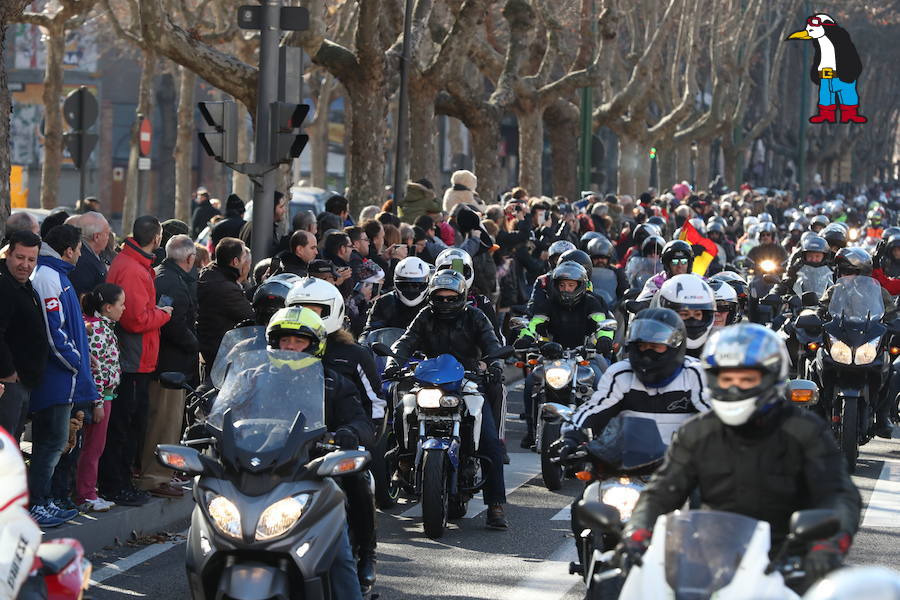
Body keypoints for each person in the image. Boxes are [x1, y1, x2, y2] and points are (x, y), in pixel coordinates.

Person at [618, 324, 861, 586]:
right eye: (727, 379)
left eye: (746, 380)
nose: (735, 388)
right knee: (613, 583)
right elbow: (661, 492)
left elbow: (838, 494)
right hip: (710, 562)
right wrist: (636, 531)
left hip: (788, 563)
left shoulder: (804, 431)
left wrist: (828, 545)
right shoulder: (697, 432)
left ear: (771, 378)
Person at [384, 270, 509, 529]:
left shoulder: (475, 316)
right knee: (402, 408)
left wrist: (494, 364)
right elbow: (405, 341)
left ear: (462, 296)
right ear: (431, 297)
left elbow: (491, 343)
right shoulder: (425, 315)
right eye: (439, 297)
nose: (444, 303)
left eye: (450, 297)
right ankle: (404, 459)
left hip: (467, 381)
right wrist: (393, 361)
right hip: (430, 380)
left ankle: (495, 505)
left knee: (489, 440)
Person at [264, 307, 372, 598]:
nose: (290, 347)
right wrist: (205, 421)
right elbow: (225, 405)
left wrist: (348, 433)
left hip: (315, 472)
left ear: (315, 345)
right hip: (259, 471)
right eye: (284, 340)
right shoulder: (254, 377)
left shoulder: (333, 382)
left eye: (298, 341)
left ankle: (367, 556)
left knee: (339, 550)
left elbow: (361, 421)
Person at [285, 279, 383, 587]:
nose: (306, 315)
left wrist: (354, 434)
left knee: (356, 479)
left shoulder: (352, 356)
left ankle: (366, 551)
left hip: (333, 447)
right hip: (280, 451)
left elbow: (373, 407)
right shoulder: (270, 357)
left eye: (314, 309)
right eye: (298, 309)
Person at [558, 308, 708, 449]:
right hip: (627, 466)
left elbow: (715, 414)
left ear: (675, 345)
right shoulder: (620, 373)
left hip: (683, 466)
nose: (648, 352)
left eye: (656, 346)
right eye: (643, 346)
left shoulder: (694, 373)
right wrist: (570, 438)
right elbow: (594, 409)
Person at [100, 216, 173, 507]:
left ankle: (118, 482)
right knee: (125, 425)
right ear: (157, 238)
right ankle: (116, 484)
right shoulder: (133, 268)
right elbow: (135, 319)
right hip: (133, 359)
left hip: (135, 356)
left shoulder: (132, 263)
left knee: (127, 424)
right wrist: (164, 312)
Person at [29, 224, 96, 526]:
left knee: (56, 443)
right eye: (79, 249)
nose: (81, 255)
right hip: (56, 379)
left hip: (64, 379)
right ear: (68, 250)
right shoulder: (47, 277)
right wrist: (76, 361)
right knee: (50, 444)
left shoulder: (57, 276)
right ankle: (37, 503)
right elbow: (52, 330)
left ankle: (47, 500)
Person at [515, 261, 615, 446]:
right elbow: (534, 323)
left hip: (585, 356)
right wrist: (526, 337)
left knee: (602, 383)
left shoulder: (591, 302)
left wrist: (604, 339)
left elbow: (602, 324)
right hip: (553, 357)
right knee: (531, 383)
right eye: (562, 285)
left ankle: (603, 435)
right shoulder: (548, 303)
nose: (566, 289)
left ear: (580, 285)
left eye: (571, 285)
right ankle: (531, 430)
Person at [137, 234, 200, 498]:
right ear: (189, 258)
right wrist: (195, 344)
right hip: (169, 367)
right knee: (163, 423)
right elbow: (172, 322)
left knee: (162, 423)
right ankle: (155, 477)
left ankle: (158, 474)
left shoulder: (165, 274)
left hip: (164, 363)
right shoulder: (172, 282)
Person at [76, 283, 124, 512]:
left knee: (96, 446)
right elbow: (95, 369)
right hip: (99, 397)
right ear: (107, 307)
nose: (124, 308)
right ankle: (86, 494)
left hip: (106, 395)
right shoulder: (96, 329)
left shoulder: (103, 327)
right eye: (121, 304)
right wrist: (97, 403)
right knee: (92, 447)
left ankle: (88, 490)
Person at [0, 230, 48, 440]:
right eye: (20, 257)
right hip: (9, 383)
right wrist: (8, 372)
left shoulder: (24, 285)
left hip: (23, 381)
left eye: (31, 259)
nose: (25, 265)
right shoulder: (3, 284)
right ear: (8, 254)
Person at [196, 238, 254, 369]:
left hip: (211, 350)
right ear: (235, 262)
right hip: (220, 355)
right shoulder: (226, 288)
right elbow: (250, 315)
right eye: (245, 257)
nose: (247, 262)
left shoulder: (210, 274)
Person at [653, 274, 716, 358]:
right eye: (684, 314)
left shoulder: (716, 348)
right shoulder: (652, 348)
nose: (693, 320)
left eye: (697, 314)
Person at [362, 256, 430, 333]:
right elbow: (370, 331)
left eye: (416, 285)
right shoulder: (384, 302)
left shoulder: (433, 303)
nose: (411, 290)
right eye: (404, 285)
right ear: (395, 282)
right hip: (389, 344)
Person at [68, 211, 110, 296]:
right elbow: (83, 298)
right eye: (107, 234)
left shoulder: (94, 254)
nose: (108, 238)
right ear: (96, 237)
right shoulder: (82, 260)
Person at [239, 191, 288, 258]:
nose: (284, 210)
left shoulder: (252, 224)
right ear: (271, 208)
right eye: (281, 207)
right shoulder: (261, 228)